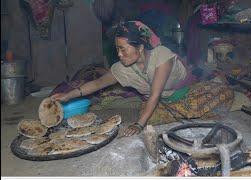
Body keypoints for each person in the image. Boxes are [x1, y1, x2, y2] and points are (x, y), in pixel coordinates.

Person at [51, 21, 234, 137]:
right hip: (162, 102)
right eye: (117, 49)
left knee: (224, 93)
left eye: (123, 49)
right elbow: (98, 83)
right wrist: (69, 95)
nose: (119, 54)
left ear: (140, 48)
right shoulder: (121, 69)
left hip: (184, 94)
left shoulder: (161, 55)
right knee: (151, 118)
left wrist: (139, 125)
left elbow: (154, 94)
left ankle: (192, 105)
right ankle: (183, 114)